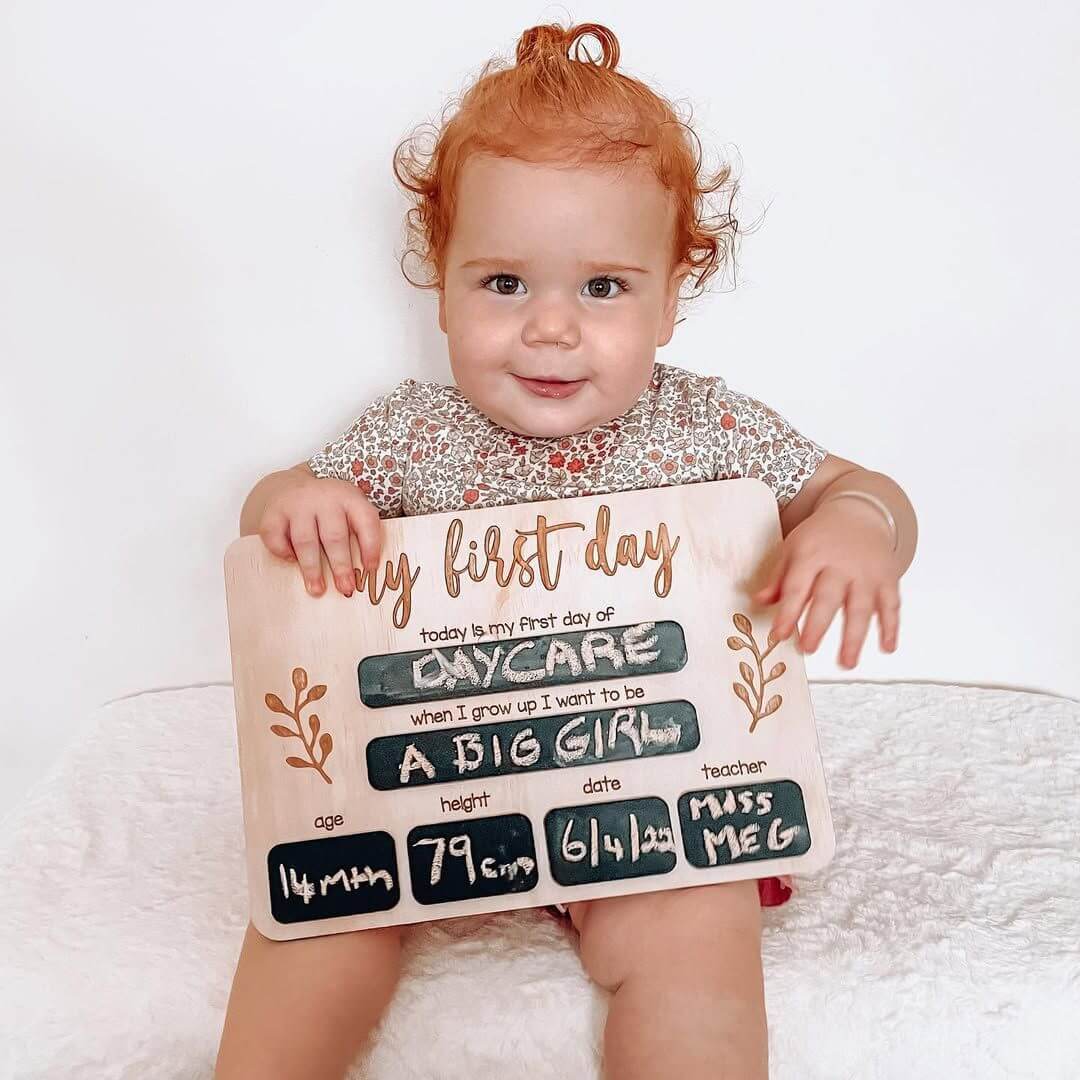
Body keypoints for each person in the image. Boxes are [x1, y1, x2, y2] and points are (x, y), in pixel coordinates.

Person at [215, 20, 917, 1080]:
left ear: (670, 300)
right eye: (504, 283)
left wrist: (858, 524)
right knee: (317, 907)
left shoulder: (705, 428)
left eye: (602, 287)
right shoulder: (410, 434)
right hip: (429, 790)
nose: (551, 327)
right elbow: (269, 510)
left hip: (646, 783)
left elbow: (858, 488)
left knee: (693, 931)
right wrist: (297, 504)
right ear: (441, 286)